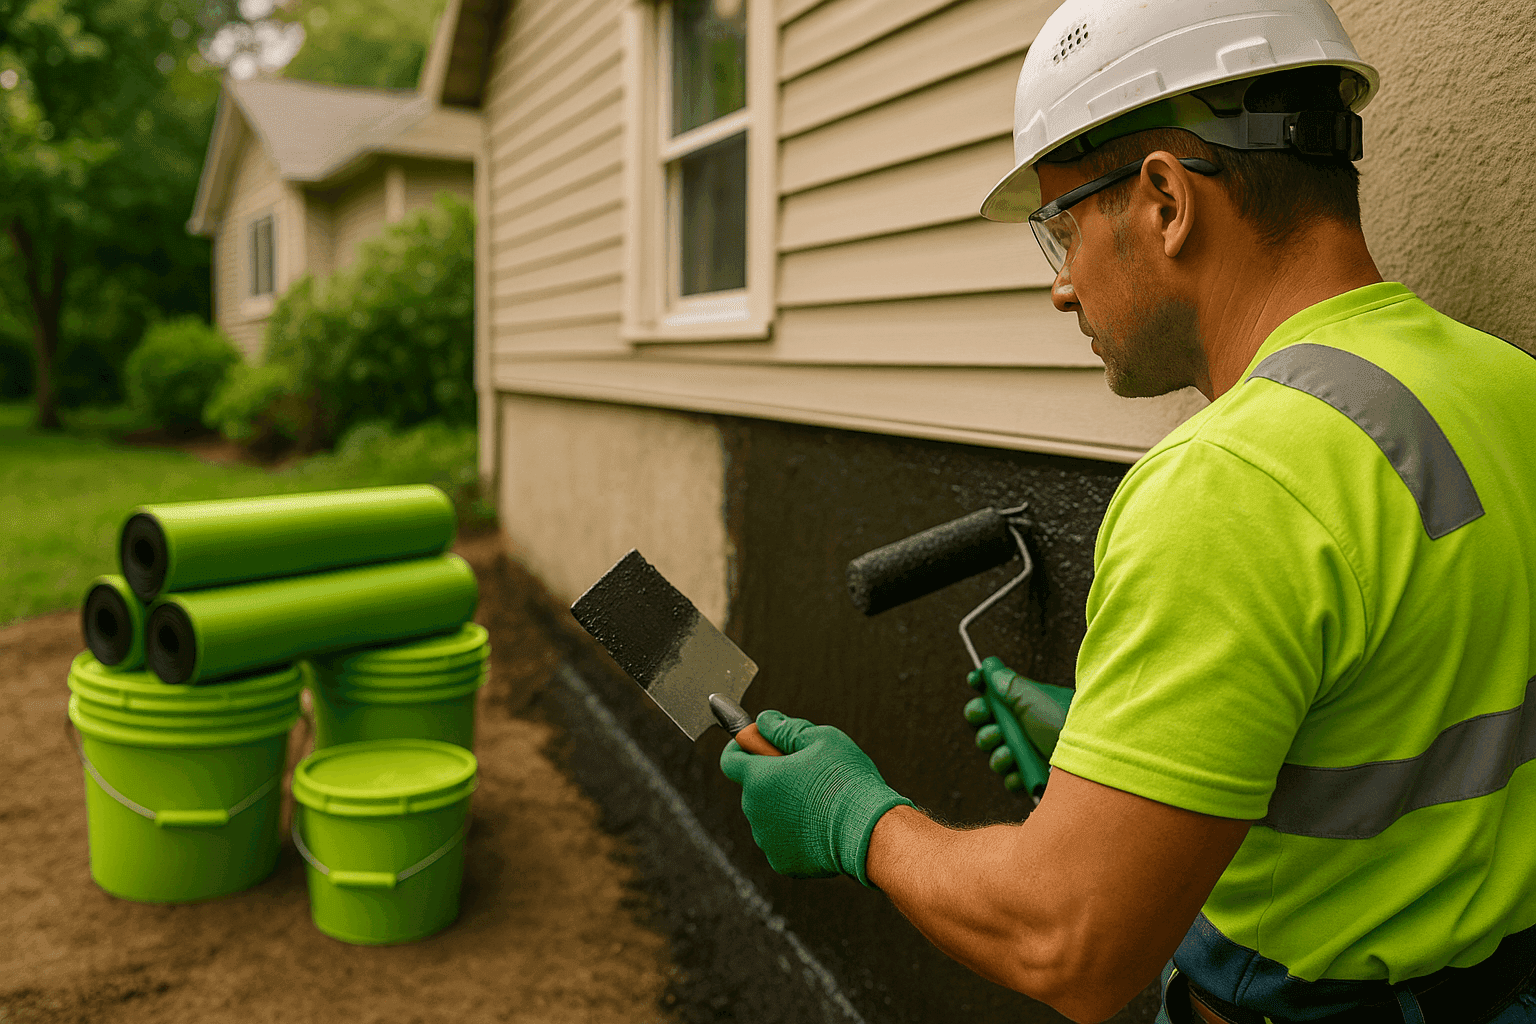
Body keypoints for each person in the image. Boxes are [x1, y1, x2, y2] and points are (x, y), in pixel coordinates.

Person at [719, 0, 1536, 1021]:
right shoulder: (1510, 388)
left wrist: (852, 818)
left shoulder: (1229, 481)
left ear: (1162, 200)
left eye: (1061, 226)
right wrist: (1136, 764)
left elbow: (1071, 942)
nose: (1062, 288)